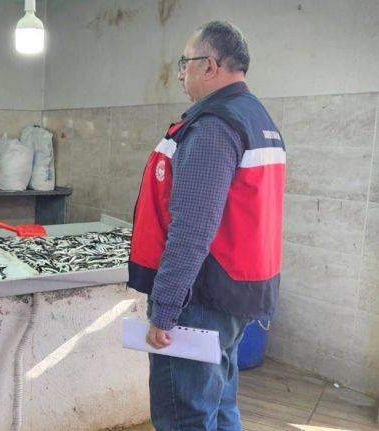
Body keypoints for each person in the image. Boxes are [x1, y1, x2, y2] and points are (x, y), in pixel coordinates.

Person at [128, 21, 285, 429]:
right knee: (219, 404)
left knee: (186, 416)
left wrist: (166, 309)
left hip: (200, 301)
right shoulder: (256, 118)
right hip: (235, 295)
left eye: (185, 63)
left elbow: (193, 228)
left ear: (209, 66)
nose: (181, 74)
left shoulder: (215, 125)